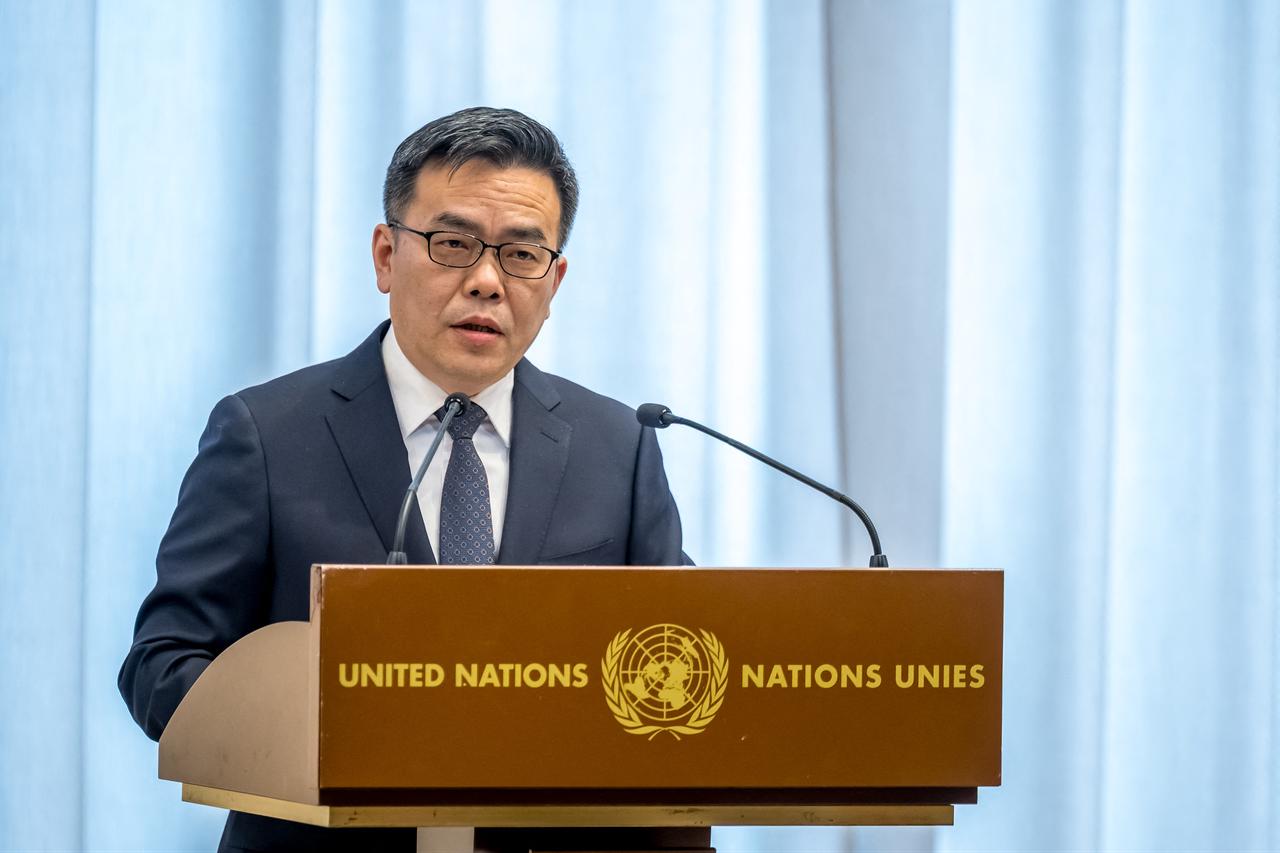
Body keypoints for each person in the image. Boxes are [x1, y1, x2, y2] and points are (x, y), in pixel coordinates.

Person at [119, 107, 702, 853]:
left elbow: (681, 659)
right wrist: (325, 729)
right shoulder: (266, 435)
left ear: (554, 280)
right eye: (453, 244)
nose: (486, 282)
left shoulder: (617, 446)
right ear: (386, 255)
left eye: (521, 255)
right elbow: (163, 663)